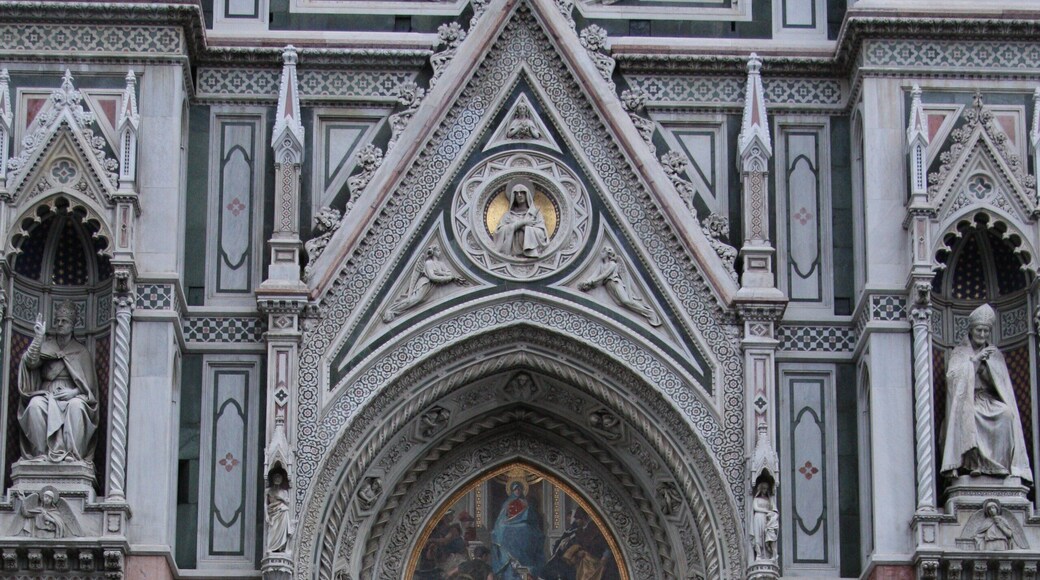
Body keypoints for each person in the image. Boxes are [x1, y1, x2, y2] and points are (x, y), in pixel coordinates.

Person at [940, 304, 1032, 481]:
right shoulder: (959, 352)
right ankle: (974, 464)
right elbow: (952, 380)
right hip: (968, 401)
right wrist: (974, 362)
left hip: (989, 399)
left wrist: (987, 367)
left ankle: (999, 466)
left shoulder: (995, 354)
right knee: (971, 414)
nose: (982, 335)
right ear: (971, 330)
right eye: (979, 330)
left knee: (1006, 414)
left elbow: (1001, 385)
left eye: (986, 331)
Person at [18, 301, 98, 463]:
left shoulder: (81, 352)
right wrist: (38, 337)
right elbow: (31, 363)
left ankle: (72, 454)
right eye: (58, 321)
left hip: (71, 396)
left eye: (65, 321)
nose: (60, 324)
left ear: (73, 325)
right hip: (47, 394)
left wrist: (74, 392)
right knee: (34, 405)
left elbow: (89, 386)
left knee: (76, 406)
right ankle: (40, 453)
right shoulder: (47, 346)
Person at [579, 247, 661, 326]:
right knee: (620, 303)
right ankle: (644, 312)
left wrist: (591, 281)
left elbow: (604, 275)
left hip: (615, 283)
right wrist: (586, 281)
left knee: (626, 301)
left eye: (603, 252)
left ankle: (649, 313)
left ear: (608, 254)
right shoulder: (601, 265)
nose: (601, 253)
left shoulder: (613, 264)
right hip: (608, 286)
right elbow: (595, 274)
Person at [491, 480, 545, 579]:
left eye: (519, 489)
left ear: (522, 490)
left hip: (524, 525)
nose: (517, 491)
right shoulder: (507, 503)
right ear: (512, 490)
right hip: (508, 525)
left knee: (527, 529)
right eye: (515, 489)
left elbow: (532, 518)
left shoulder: (526, 503)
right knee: (502, 528)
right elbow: (501, 519)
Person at [492, 184, 549, 258]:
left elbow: (541, 234)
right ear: (513, 197)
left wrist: (517, 226)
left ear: (527, 195)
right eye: (516, 193)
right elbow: (499, 232)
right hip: (512, 253)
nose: (519, 195)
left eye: (522, 192)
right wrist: (523, 223)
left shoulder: (535, 214)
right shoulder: (508, 215)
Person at [750, 480, 779, 561]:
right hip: (758, 518)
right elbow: (755, 508)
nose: (765, 490)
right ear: (760, 489)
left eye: (766, 489)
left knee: (765, 536)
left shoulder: (769, 499)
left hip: (766, 519)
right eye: (763, 488)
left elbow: (773, 510)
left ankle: (766, 555)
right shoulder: (756, 499)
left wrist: (771, 514)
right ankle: (758, 555)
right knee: (757, 536)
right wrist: (767, 511)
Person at [266, 470, 292, 553]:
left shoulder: (284, 492)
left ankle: (282, 547)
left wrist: (281, 498)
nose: (277, 479)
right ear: (273, 479)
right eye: (276, 477)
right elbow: (265, 504)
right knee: (273, 530)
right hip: (272, 513)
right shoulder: (268, 491)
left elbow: (287, 502)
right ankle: (270, 547)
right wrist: (266, 515)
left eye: (279, 478)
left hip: (282, 512)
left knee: (281, 529)